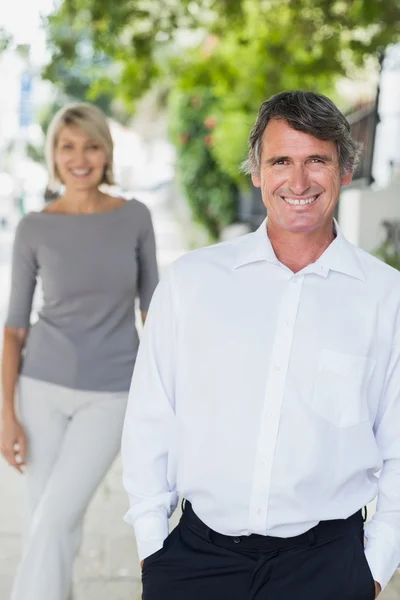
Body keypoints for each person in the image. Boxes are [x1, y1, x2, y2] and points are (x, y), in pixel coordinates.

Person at [121, 90, 400, 599]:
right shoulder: (192, 282)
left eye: (317, 160)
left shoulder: (386, 297)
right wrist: (153, 549)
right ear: (256, 172)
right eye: (280, 161)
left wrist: (375, 566)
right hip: (194, 561)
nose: (298, 182)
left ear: (343, 170)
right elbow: (150, 419)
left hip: (328, 567)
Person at [0, 102, 158, 600]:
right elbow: (14, 329)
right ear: (53, 155)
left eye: (90, 145)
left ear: (106, 151)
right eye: (67, 146)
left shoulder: (135, 217)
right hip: (40, 387)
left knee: (55, 516)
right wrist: (6, 412)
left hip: (111, 393)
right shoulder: (34, 227)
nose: (80, 157)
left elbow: (153, 314)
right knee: (52, 523)